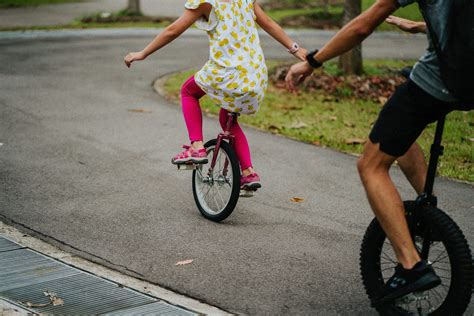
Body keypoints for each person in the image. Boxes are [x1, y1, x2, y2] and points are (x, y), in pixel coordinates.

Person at [285, 0, 461, 306]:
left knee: (371, 164)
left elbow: (362, 26)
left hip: (444, 78)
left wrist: (312, 61)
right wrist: (421, 26)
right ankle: (428, 218)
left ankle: (410, 265)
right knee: (399, 135)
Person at [124, 0, 307, 190]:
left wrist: (143, 53)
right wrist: (295, 48)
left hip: (227, 72)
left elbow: (173, 30)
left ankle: (196, 147)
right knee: (228, 119)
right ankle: (248, 173)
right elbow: (268, 22)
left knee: (188, 91)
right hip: (255, 74)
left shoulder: (205, 2)